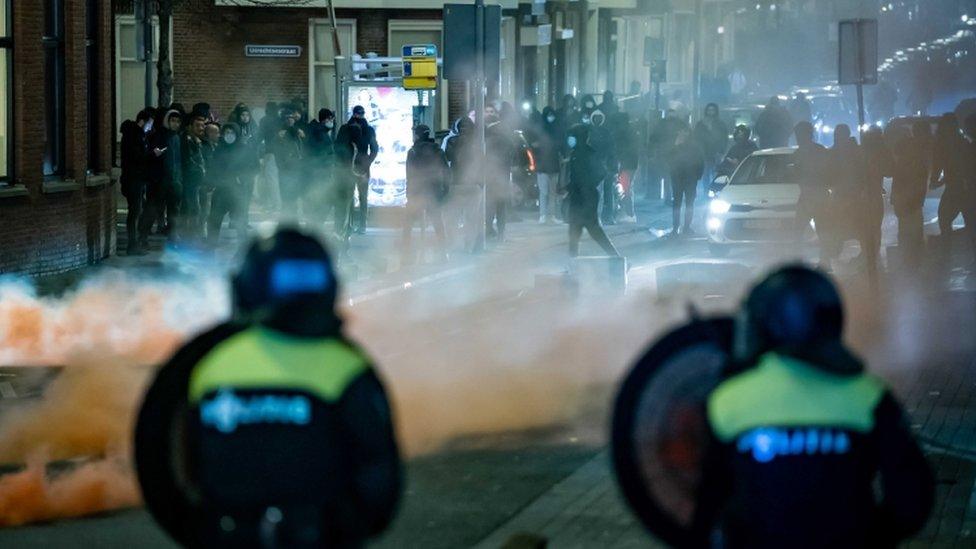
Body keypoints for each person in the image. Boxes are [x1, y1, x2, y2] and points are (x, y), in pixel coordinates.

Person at [135, 228, 402, 548]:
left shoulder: (205, 361)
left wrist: (199, 531)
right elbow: (380, 479)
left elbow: (155, 459)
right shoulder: (347, 366)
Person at [693, 265, 934, 548]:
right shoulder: (869, 397)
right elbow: (912, 500)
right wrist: (872, 536)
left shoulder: (727, 401)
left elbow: (705, 503)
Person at [565, 124, 620, 257]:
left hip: (586, 197)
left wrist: (587, 185)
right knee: (575, 230)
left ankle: (616, 257)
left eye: (572, 137)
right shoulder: (576, 154)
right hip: (578, 196)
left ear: (579, 138)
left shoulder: (588, 153)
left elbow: (601, 173)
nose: (570, 140)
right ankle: (573, 263)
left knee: (592, 229)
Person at [402, 125, 449, 264]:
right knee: (437, 222)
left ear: (417, 135)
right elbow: (446, 171)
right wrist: (445, 190)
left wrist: (409, 193)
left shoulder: (413, 152)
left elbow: (410, 174)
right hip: (434, 191)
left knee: (408, 223)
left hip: (417, 191)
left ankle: (407, 252)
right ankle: (442, 252)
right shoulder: (438, 151)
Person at [793, 121, 835, 270]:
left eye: (799, 134)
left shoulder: (803, 153)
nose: (797, 138)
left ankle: (820, 261)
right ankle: (823, 261)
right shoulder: (819, 150)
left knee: (811, 230)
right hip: (814, 195)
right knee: (821, 230)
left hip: (814, 195)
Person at [890, 120, 931, 266]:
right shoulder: (918, 149)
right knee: (912, 229)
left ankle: (909, 261)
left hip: (907, 197)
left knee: (907, 229)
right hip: (910, 197)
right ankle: (912, 261)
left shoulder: (909, 147)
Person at [140, 109, 184, 244]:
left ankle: (172, 235)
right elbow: (150, 156)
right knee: (153, 208)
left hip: (173, 180)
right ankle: (143, 236)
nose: (175, 124)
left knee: (173, 210)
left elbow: (178, 160)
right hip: (161, 180)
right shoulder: (159, 136)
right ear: (167, 121)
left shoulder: (176, 137)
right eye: (173, 121)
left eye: (177, 121)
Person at [206, 123, 249, 247]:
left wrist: (243, 178)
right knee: (214, 219)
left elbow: (253, 167)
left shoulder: (243, 149)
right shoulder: (219, 149)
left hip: (237, 191)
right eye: (227, 133)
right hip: (221, 191)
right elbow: (212, 168)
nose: (229, 135)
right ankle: (211, 244)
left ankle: (244, 248)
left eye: (232, 133)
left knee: (240, 221)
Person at [859, 127, 893, 276]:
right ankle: (871, 254)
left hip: (867, 194)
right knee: (871, 226)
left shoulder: (865, 152)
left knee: (868, 226)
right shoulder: (879, 152)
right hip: (869, 194)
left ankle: (870, 254)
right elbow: (889, 171)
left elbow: (889, 170)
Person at [930, 114, 970, 240]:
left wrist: (936, 181)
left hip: (954, 188)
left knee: (944, 218)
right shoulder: (963, 142)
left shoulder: (943, 145)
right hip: (967, 187)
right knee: (970, 221)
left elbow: (939, 165)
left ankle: (947, 249)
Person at [120, 109, 153, 256]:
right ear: (143, 121)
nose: (150, 127)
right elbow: (137, 157)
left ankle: (134, 244)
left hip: (135, 179)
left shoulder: (137, 135)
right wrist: (152, 154)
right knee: (134, 212)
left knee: (136, 211)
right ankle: (132, 245)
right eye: (150, 123)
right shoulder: (134, 136)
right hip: (133, 179)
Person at [485, 104, 516, 241]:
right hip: (502, 173)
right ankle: (500, 233)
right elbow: (512, 152)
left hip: (490, 174)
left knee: (491, 203)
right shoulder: (506, 133)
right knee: (500, 204)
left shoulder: (487, 134)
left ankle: (490, 230)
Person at [667, 128, 704, 237]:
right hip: (679, 178)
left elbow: (700, 162)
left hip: (689, 178)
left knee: (688, 203)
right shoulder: (675, 145)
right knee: (678, 203)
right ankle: (676, 226)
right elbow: (668, 159)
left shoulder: (695, 147)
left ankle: (686, 227)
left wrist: (697, 176)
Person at [349, 105, 379, 234]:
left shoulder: (349, 128)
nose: (359, 116)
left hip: (354, 164)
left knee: (357, 197)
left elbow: (374, 148)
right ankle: (359, 225)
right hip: (359, 165)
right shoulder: (368, 129)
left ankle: (357, 225)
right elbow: (374, 148)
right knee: (359, 197)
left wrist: (368, 161)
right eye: (358, 114)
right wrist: (368, 161)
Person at [275, 108, 307, 220]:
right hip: (286, 168)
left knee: (295, 195)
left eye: (292, 118)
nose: (290, 120)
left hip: (297, 168)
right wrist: (282, 165)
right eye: (288, 118)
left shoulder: (298, 132)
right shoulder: (281, 133)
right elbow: (277, 151)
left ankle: (293, 217)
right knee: (286, 196)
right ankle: (286, 218)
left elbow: (303, 148)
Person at [181, 111, 208, 239]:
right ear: (190, 126)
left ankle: (192, 235)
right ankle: (190, 236)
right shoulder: (187, 140)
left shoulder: (199, 141)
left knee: (197, 208)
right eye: (197, 125)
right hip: (190, 180)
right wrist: (200, 169)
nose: (201, 128)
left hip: (198, 181)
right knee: (193, 208)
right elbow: (189, 160)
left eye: (202, 126)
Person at [588, 110, 618, 225]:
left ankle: (608, 216)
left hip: (606, 167)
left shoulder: (606, 133)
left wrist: (612, 166)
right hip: (596, 168)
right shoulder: (589, 132)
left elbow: (612, 151)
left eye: (599, 118)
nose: (597, 120)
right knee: (599, 193)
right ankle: (598, 217)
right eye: (595, 118)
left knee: (607, 193)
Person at [534, 107, 563, 224]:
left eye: (552, 115)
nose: (551, 117)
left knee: (552, 193)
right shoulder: (540, 130)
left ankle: (551, 215)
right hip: (543, 166)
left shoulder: (556, 129)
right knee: (544, 192)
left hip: (553, 165)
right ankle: (543, 215)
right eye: (549, 115)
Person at [694, 103, 729, 191]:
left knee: (716, 175)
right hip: (704, 154)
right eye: (709, 110)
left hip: (716, 154)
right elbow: (696, 138)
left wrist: (721, 151)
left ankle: (715, 192)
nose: (711, 112)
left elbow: (724, 138)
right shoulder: (700, 124)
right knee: (705, 175)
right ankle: (706, 192)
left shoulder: (720, 124)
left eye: (712, 110)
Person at [258, 101, 282, 214]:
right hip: (282, 153)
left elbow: (260, 136)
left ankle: (275, 205)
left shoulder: (265, 120)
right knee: (278, 180)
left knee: (271, 180)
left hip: (270, 152)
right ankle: (278, 204)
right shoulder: (280, 120)